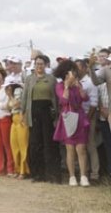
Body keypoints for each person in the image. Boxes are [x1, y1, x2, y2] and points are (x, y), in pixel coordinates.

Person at [21, 54, 60, 183]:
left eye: (41, 64)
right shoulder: (29, 79)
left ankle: (52, 175)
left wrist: (57, 115)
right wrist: (23, 113)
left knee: (49, 144)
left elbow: (56, 97)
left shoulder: (51, 79)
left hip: (48, 113)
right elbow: (25, 97)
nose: (39, 66)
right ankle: (37, 174)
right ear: (34, 65)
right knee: (35, 143)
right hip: (33, 112)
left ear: (46, 65)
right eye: (37, 64)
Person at [52, 59, 90, 187]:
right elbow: (63, 101)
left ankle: (84, 176)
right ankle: (72, 176)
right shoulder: (60, 86)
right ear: (65, 73)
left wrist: (79, 88)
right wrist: (67, 86)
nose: (74, 74)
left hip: (80, 117)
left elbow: (84, 98)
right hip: (68, 118)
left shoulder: (79, 85)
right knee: (70, 148)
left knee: (82, 148)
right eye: (71, 71)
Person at [6, 77, 29, 179]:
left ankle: (23, 171)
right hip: (14, 118)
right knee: (14, 145)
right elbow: (9, 106)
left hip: (20, 117)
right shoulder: (13, 92)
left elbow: (16, 104)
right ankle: (18, 169)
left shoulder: (18, 90)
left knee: (22, 145)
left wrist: (10, 96)